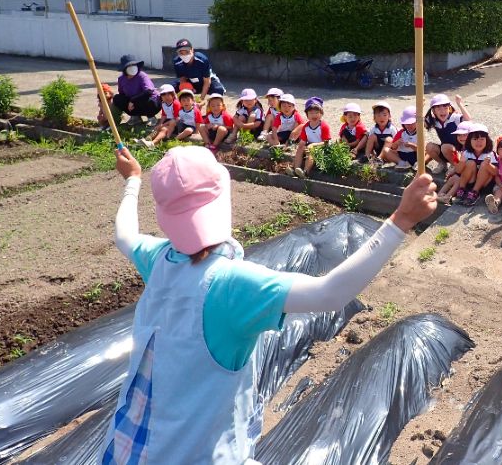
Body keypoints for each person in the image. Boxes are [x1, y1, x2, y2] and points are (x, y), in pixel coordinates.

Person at [105, 145, 437, 463]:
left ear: (165, 215)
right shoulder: (231, 285)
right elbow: (330, 293)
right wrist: (400, 221)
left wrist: (133, 180)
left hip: (127, 447)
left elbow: (125, 235)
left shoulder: (159, 258)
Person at [424, 94, 471, 173]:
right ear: (433, 111)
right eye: (438, 108)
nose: (442, 111)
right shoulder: (434, 120)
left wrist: (459, 104)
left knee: (445, 146)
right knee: (429, 146)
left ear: (449, 108)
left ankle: (455, 165)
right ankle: (442, 164)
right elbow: (419, 125)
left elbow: (468, 120)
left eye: (445, 107)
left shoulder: (454, 118)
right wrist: (420, 107)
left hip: (460, 152)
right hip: (445, 151)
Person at [453, 124, 496, 207]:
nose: (478, 142)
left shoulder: (490, 154)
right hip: (470, 182)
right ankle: (462, 189)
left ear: (487, 140)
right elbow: (458, 171)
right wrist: (461, 162)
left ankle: (475, 192)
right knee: (470, 163)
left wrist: (489, 165)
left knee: (484, 165)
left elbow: (495, 172)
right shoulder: (466, 153)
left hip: (484, 185)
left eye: (482, 139)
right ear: (469, 140)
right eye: (475, 139)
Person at [112, 54, 161, 125]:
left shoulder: (142, 75)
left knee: (147, 99)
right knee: (117, 98)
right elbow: (122, 94)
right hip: (133, 105)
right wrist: (129, 102)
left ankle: (151, 117)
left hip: (150, 103)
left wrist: (133, 100)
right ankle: (135, 117)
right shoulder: (121, 79)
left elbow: (148, 92)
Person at [289, 97, 331, 178]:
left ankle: (306, 172)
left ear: (321, 114)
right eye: (311, 113)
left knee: (310, 151)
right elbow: (303, 141)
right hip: (309, 145)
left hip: (321, 147)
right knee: (300, 147)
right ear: (307, 115)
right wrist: (302, 146)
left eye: (316, 112)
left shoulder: (324, 126)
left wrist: (313, 145)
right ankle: (295, 169)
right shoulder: (306, 127)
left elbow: (326, 142)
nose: (314, 115)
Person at [435, 121, 473, 204]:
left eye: (465, 135)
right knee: (451, 179)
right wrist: (453, 171)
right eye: (459, 135)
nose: (461, 137)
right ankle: (439, 195)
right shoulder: (461, 148)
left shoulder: (471, 150)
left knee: (457, 180)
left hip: (470, 177)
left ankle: (448, 197)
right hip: (462, 173)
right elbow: (458, 164)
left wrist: (456, 171)